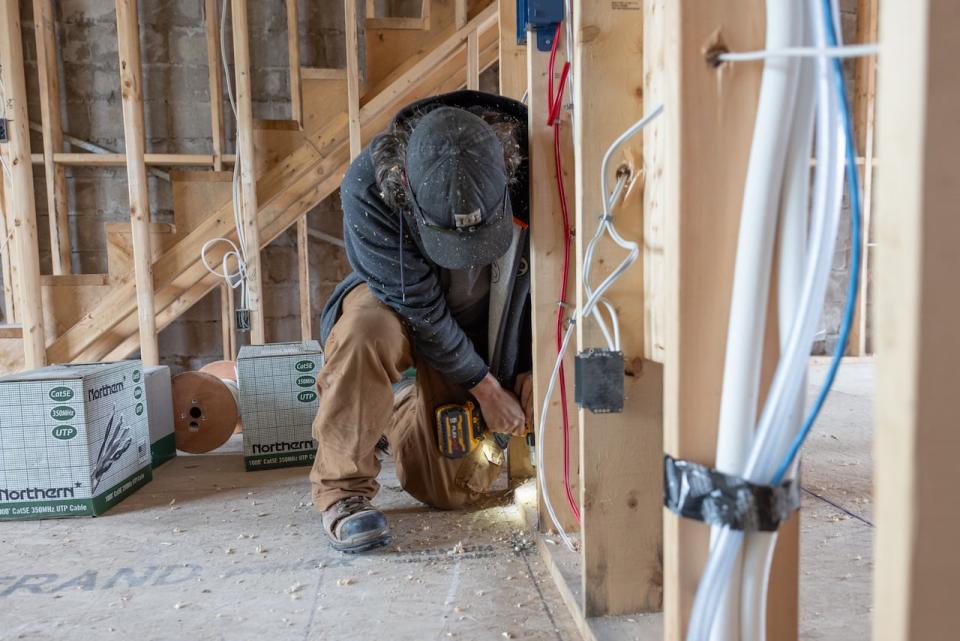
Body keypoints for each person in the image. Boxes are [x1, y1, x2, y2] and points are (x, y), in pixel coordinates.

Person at [309, 90, 533, 552]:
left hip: (489, 311)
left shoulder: (539, 163)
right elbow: (421, 308)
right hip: (401, 305)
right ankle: (343, 492)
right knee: (364, 334)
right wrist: (486, 389)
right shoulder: (369, 184)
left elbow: (560, 273)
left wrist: (532, 358)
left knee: (447, 490)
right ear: (403, 189)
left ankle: (397, 407)